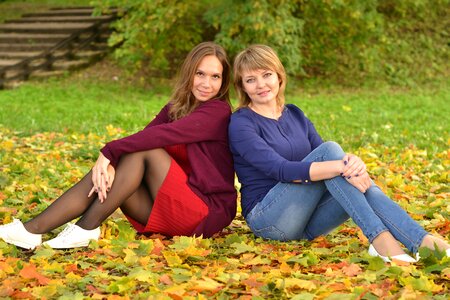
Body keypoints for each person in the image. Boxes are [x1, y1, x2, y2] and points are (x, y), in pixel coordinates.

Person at [0, 41, 237, 250]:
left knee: (146, 150)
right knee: (127, 159)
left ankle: (81, 227)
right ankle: (35, 230)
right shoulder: (176, 107)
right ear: (189, 74)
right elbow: (145, 134)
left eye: (215, 77)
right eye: (200, 74)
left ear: (223, 80)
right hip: (170, 205)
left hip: (206, 211)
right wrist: (112, 162)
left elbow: (160, 136)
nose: (207, 83)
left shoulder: (217, 111)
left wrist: (109, 151)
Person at [228, 44, 449, 263]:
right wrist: (341, 165)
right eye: (251, 80)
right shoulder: (241, 123)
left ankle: (421, 242)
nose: (261, 84)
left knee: (343, 167)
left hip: (307, 223)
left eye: (267, 75)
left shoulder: (294, 114)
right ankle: (382, 240)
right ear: (243, 87)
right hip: (270, 220)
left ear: (279, 77)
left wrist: (351, 162)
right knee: (334, 156)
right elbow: (280, 169)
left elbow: (323, 154)